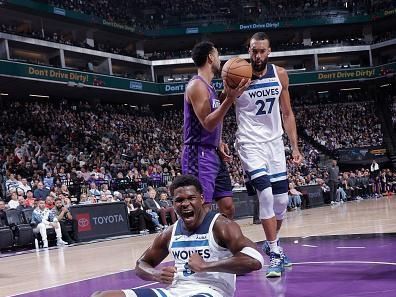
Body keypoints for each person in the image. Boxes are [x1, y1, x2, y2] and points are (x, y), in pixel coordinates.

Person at [91, 175, 263, 297]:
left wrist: (205, 266)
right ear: (173, 203)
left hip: (212, 290)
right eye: (179, 200)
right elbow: (141, 264)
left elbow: (254, 261)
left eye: (191, 198)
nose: (185, 204)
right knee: (100, 295)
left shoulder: (221, 226)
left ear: (202, 199)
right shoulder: (170, 232)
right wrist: (155, 274)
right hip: (175, 291)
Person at [234, 32, 303, 277]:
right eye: (254, 50)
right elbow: (222, 104)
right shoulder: (237, 73)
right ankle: (274, 253)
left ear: (269, 51)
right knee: (264, 193)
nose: (258, 55)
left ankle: (270, 242)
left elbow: (287, 113)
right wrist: (233, 91)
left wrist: (294, 146)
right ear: (249, 49)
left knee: (282, 202)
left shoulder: (280, 74)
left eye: (262, 51)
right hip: (249, 143)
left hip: (274, 144)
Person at [181, 41, 250, 219]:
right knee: (201, 208)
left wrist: (218, 141)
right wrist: (230, 98)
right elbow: (208, 123)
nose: (219, 59)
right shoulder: (197, 86)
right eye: (217, 55)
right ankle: (195, 245)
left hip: (213, 152)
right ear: (211, 57)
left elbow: (213, 119)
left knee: (227, 207)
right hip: (198, 153)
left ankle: (220, 245)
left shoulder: (210, 87)